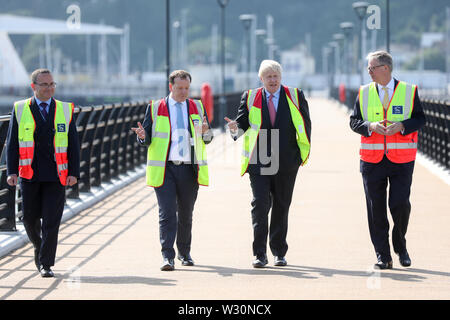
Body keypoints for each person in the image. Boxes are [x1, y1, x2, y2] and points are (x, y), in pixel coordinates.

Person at [224, 60, 311, 268]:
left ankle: (279, 252)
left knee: (281, 205)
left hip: (286, 159)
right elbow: (242, 123)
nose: (273, 80)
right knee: (260, 205)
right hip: (259, 156)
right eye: (268, 77)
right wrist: (235, 128)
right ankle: (259, 254)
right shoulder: (250, 96)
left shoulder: (295, 95)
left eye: (275, 76)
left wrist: (299, 156)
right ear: (261, 79)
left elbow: (306, 124)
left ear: (281, 77)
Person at [349, 51, 425, 269]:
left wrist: (402, 126)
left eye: (372, 68)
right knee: (376, 209)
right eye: (368, 68)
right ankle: (383, 255)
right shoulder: (363, 92)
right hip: (372, 160)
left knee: (400, 205)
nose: (369, 72)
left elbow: (420, 119)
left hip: (401, 159)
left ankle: (400, 245)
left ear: (385, 68)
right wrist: (370, 126)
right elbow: (354, 121)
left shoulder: (409, 91)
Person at [131, 70, 213, 271]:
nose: (184, 92)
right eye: (179, 88)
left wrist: (206, 133)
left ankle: (184, 253)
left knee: (186, 214)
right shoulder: (155, 107)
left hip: (189, 168)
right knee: (167, 213)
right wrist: (142, 136)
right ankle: (167, 256)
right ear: (171, 87)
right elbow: (147, 138)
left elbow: (208, 138)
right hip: (165, 169)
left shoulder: (197, 106)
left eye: (186, 88)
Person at [6, 68, 80, 278]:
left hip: (57, 175)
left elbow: (73, 144)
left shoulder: (65, 110)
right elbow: (12, 144)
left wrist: (74, 172)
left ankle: (46, 263)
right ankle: (40, 249)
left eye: (51, 84)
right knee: (28, 219)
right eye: (44, 85)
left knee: (51, 221)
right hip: (29, 174)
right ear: (34, 87)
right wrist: (11, 171)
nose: (49, 88)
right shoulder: (20, 108)